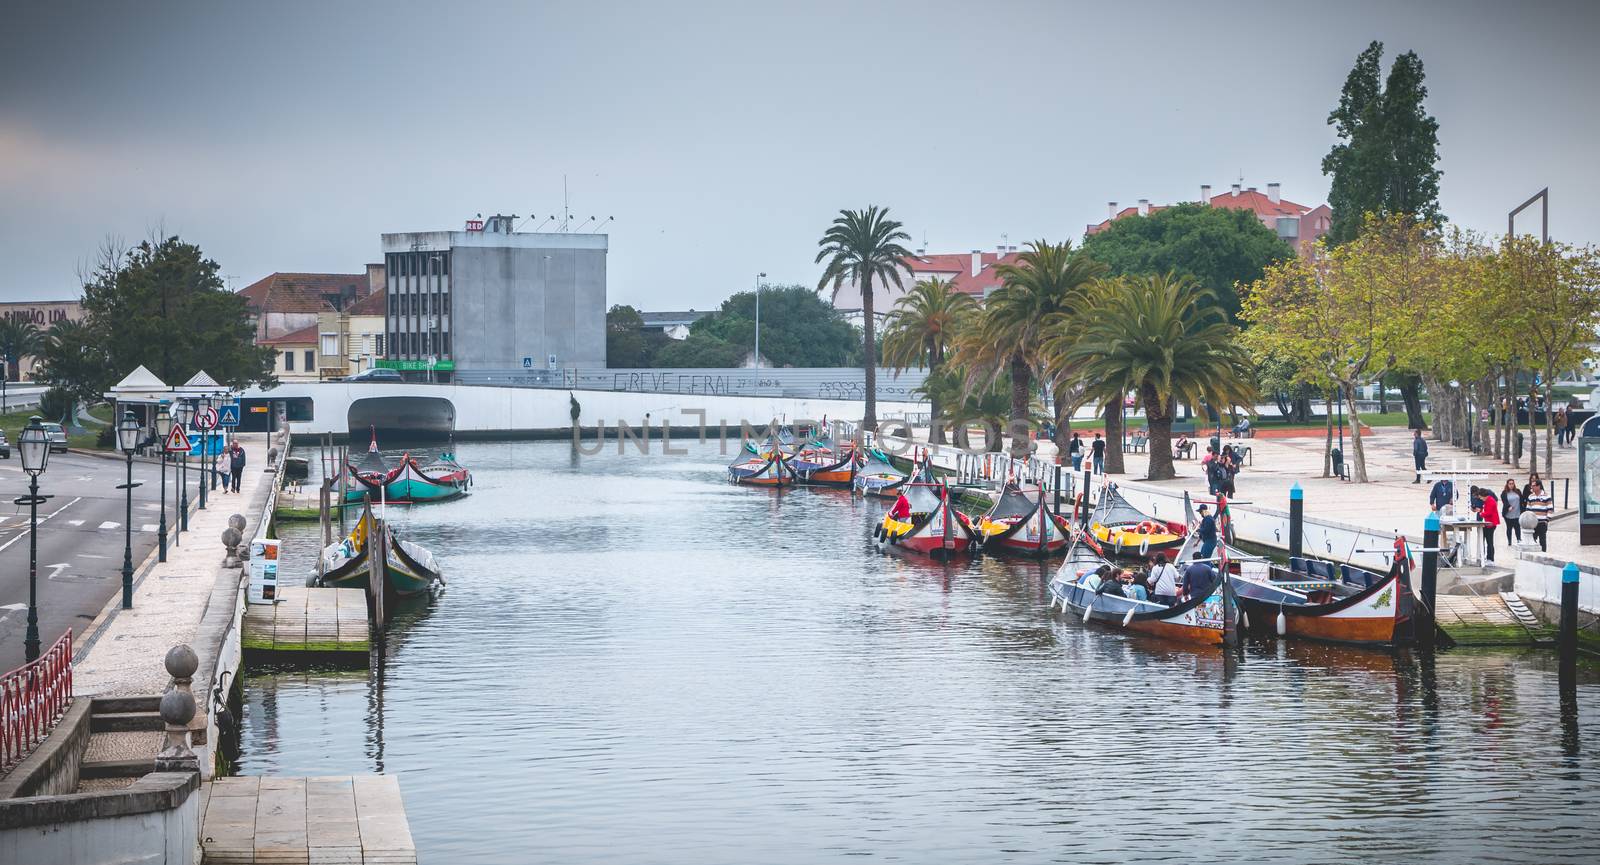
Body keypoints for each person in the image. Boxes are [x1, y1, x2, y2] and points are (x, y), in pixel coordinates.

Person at [1526, 480, 1553, 552]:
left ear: (1539, 486)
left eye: (1534, 486)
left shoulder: (1546, 496)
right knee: (1532, 539)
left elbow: (1550, 509)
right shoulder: (1531, 496)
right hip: (1533, 523)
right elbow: (1528, 509)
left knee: (1542, 540)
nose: (1532, 487)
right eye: (1531, 486)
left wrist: (1546, 520)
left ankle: (1543, 554)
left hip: (1542, 522)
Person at [1475, 486, 1500, 563]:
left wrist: (1481, 513)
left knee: (1489, 541)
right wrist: (1481, 510)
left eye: (1481, 497)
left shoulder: (1490, 501)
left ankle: (1490, 558)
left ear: (1483, 495)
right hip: (1488, 523)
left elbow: (1488, 513)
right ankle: (1486, 557)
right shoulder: (1488, 501)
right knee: (1487, 541)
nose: (1481, 499)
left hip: (1491, 524)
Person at [1500, 479, 1523, 547]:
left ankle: (1519, 539)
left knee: (1517, 527)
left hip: (1517, 512)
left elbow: (1521, 500)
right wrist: (1508, 506)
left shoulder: (1517, 491)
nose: (1511, 485)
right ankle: (1509, 541)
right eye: (1510, 484)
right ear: (1507, 484)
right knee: (1509, 527)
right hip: (1508, 513)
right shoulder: (1504, 493)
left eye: (1512, 483)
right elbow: (1504, 501)